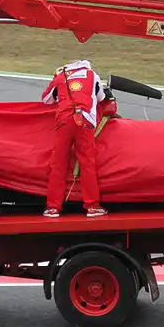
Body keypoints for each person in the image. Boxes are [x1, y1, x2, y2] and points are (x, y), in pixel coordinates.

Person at [40, 60, 108, 218]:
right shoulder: (92, 75)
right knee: (87, 163)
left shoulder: (61, 76)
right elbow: (101, 97)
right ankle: (92, 206)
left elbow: (46, 99)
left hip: (64, 121)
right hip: (84, 121)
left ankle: (52, 208)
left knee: (58, 164)